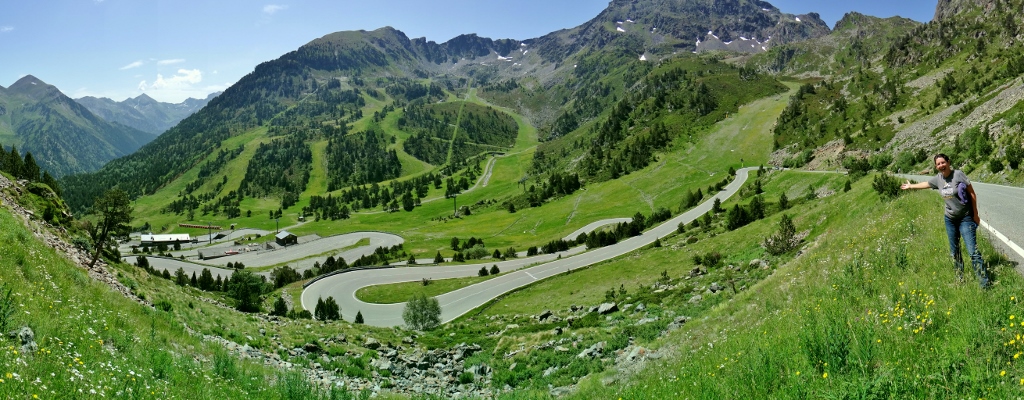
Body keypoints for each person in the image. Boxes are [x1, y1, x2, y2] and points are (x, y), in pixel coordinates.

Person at [900, 154, 988, 288]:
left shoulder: (958, 175)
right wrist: (911, 186)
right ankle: (960, 279)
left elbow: (972, 193)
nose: (941, 165)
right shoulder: (938, 179)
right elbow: (927, 184)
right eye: (938, 164)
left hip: (965, 218)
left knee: (973, 252)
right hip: (950, 220)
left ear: (948, 162)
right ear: (936, 167)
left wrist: (975, 214)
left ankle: (984, 284)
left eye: (943, 162)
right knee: (955, 251)